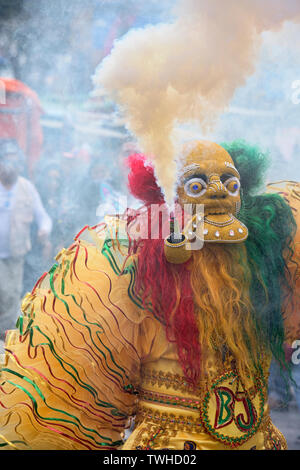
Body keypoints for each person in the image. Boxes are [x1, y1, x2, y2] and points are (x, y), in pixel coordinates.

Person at [0, 140, 299, 450]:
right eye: (198, 185)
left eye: (230, 183)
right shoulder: (135, 270)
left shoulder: (266, 264)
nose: (219, 192)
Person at [0, 139, 52, 339]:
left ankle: (4, 338)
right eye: (6, 160)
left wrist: (44, 230)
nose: (10, 166)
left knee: (11, 295)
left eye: (14, 161)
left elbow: (43, 216)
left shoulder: (27, 188)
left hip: (16, 255)